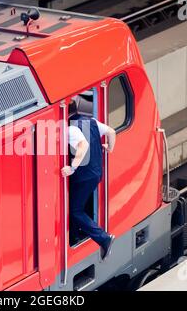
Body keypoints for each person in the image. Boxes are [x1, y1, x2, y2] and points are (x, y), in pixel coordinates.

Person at [61, 96, 117, 261]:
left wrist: (72, 167)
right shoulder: (91, 121)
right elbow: (111, 132)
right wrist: (110, 148)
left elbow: (83, 145)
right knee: (80, 204)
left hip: (83, 176)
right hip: (96, 173)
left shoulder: (70, 129)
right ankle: (77, 234)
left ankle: (103, 238)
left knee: (74, 210)